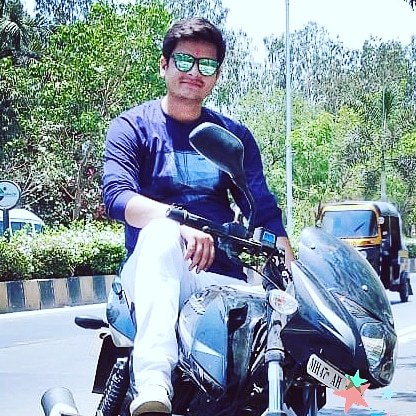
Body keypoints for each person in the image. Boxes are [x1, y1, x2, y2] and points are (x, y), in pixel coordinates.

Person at [103, 17, 295, 416]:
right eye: (184, 61)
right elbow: (118, 198)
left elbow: (262, 208)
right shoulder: (133, 127)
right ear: (164, 65)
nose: (194, 72)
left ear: (217, 76)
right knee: (160, 233)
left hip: (219, 278)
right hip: (153, 273)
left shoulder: (232, 135)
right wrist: (179, 224)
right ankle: (153, 386)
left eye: (206, 65)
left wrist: (292, 272)